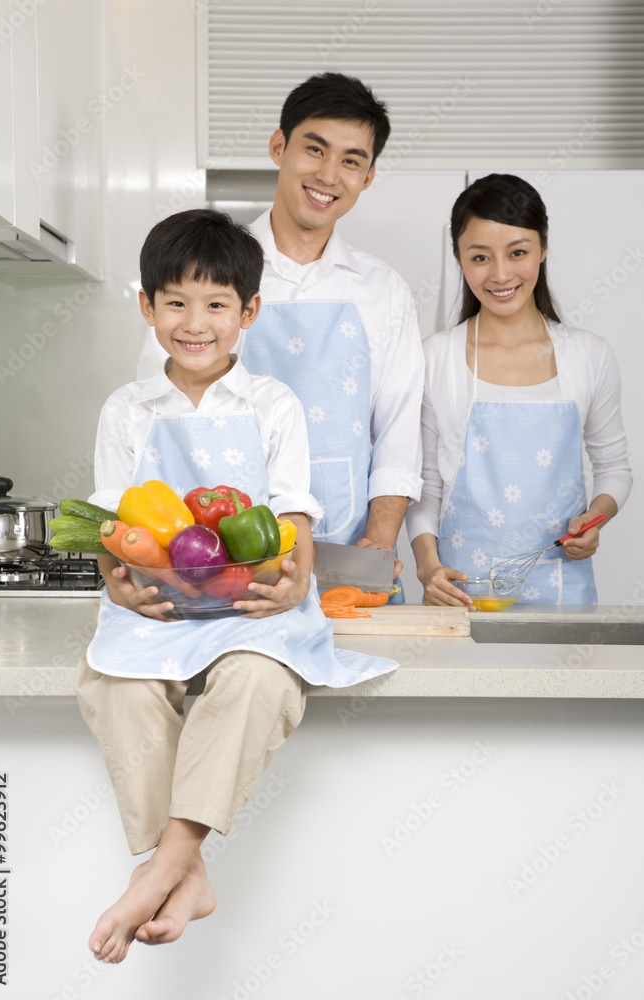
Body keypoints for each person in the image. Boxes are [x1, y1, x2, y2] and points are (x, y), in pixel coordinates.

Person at [76, 209, 397, 964]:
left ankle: (160, 868)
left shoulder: (272, 405)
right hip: (158, 604)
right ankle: (189, 873)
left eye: (217, 304)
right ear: (147, 306)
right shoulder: (126, 409)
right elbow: (108, 525)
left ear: (247, 313)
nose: (196, 323)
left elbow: (292, 517)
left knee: (256, 680)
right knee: (114, 685)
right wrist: (118, 589)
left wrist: (293, 585)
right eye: (177, 303)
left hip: (250, 601)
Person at [138, 73, 425, 588]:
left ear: (369, 175)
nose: (329, 175)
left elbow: (399, 432)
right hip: (219, 555)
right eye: (315, 150)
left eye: (351, 161)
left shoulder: (384, 291)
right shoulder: (207, 270)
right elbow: (160, 417)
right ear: (279, 147)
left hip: (345, 547)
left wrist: (379, 541)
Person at [406, 173, 632, 608]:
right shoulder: (435, 357)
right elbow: (426, 485)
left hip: (563, 593)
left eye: (518, 253)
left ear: (543, 248)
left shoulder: (589, 356)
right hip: (460, 592)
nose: (501, 274)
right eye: (480, 257)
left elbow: (615, 468)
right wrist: (427, 567)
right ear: (458, 257)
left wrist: (595, 519)